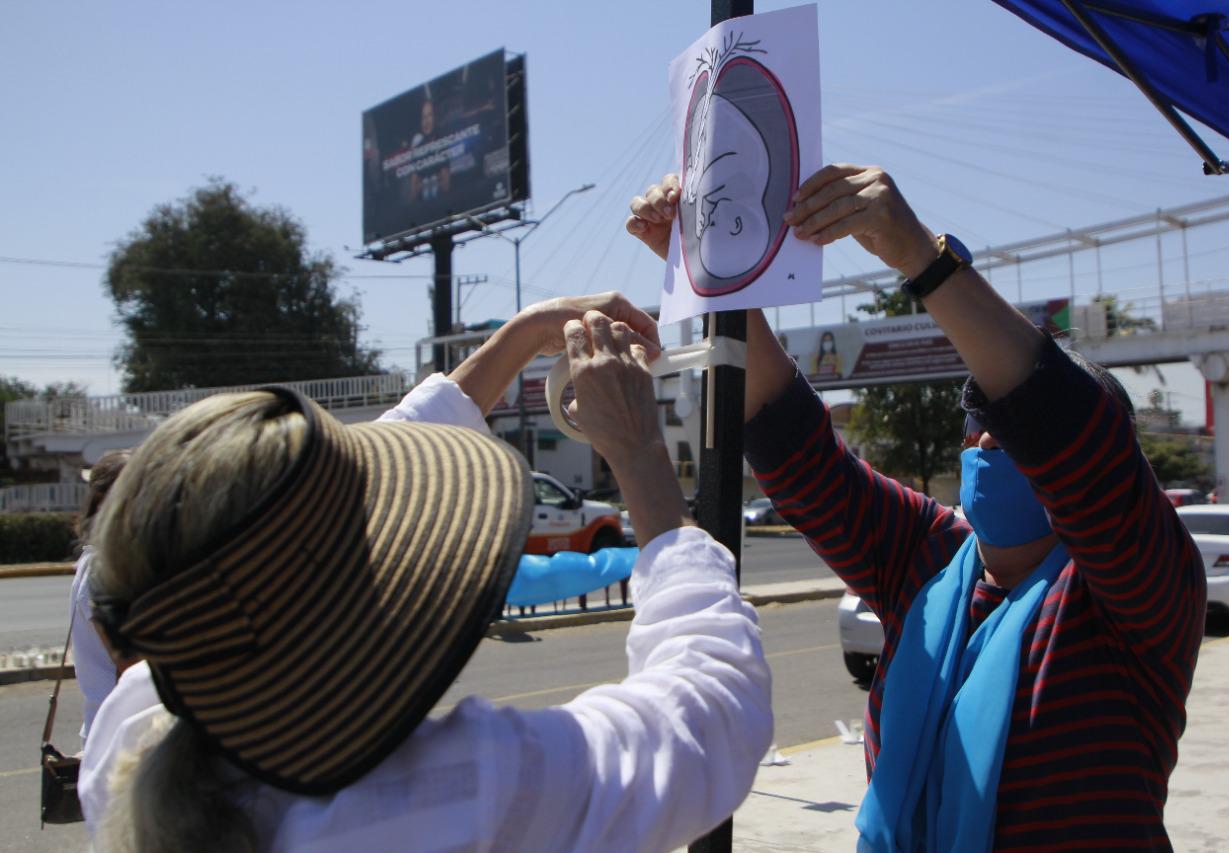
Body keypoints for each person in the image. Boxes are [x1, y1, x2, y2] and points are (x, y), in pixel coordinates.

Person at [628, 167, 1206, 851]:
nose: (988, 437)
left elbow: (1068, 430)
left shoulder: (1137, 589)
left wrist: (921, 259)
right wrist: (709, 264)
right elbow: (797, 449)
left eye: (1011, 423)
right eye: (975, 420)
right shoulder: (926, 555)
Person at [78, 292, 772, 853]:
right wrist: (641, 450)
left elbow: (297, 520)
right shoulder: (451, 794)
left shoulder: (136, 727)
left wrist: (525, 332)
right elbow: (711, 714)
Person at [68, 449, 131, 742]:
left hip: (116, 730)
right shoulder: (101, 568)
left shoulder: (110, 561)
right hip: (120, 736)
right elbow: (129, 663)